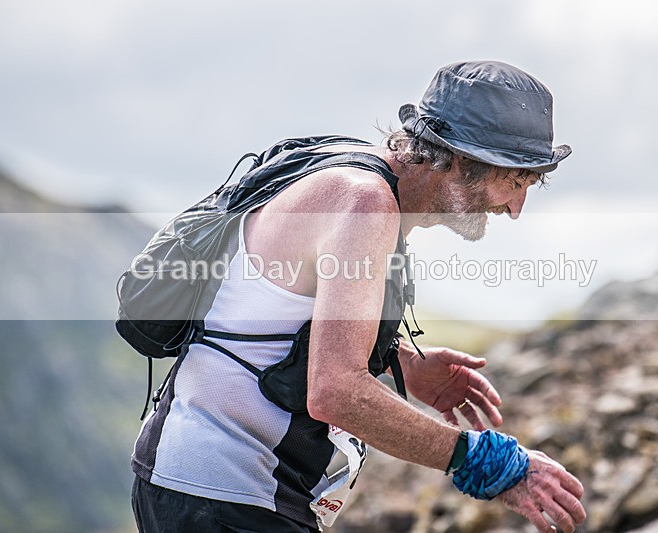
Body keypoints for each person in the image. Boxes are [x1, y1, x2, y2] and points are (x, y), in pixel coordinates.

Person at [131, 61, 587, 533]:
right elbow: (335, 392)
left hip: (204, 488)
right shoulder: (363, 202)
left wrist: (403, 362)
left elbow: (279, 312)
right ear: (457, 159)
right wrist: (489, 464)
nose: (515, 208)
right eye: (514, 181)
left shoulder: (361, 179)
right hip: (223, 495)